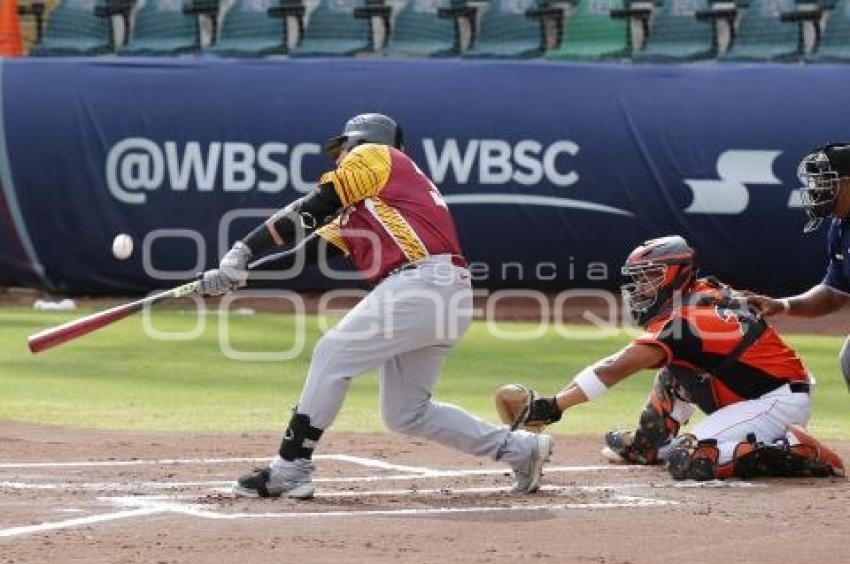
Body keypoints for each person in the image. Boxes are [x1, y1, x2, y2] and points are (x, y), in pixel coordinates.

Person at [199, 113, 552, 499]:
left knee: (332, 354)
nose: (340, 157)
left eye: (344, 147)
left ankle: (290, 467)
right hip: (443, 294)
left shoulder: (376, 155)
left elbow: (311, 206)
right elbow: (304, 254)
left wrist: (242, 249)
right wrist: (238, 275)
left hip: (422, 285)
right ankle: (520, 449)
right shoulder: (368, 207)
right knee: (406, 413)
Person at [497, 235, 844, 481]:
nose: (640, 288)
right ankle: (649, 444)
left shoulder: (685, 318)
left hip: (775, 401)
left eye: (649, 278)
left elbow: (617, 367)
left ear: (676, 274)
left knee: (687, 458)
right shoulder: (699, 294)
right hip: (750, 393)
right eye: (639, 280)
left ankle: (795, 449)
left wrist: (553, 405)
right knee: (674, 369)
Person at [743, 143, 850, 389]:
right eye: (815, 182)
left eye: (825, 182)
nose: (816, 190)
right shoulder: (841, 225)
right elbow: (835, 293)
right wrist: (782, 305)